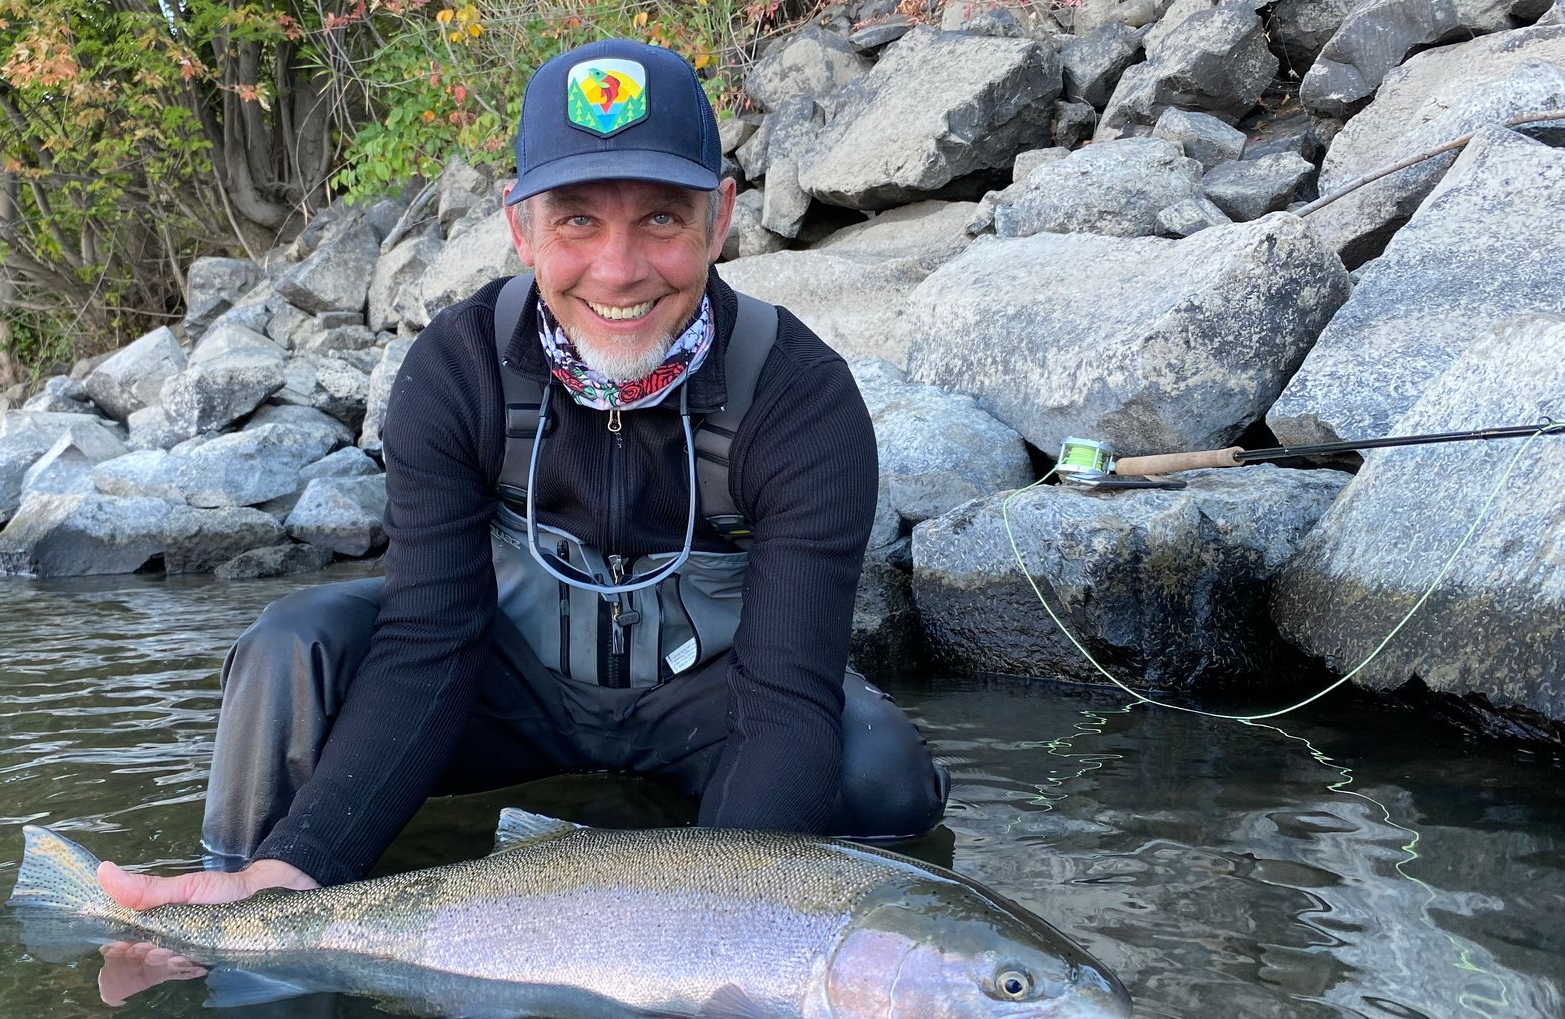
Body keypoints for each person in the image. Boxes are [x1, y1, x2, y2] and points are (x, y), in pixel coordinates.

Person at [99, 39, 945, 913]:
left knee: (881, 777)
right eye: (577, 220)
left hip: (711, 705)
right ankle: (251, 888)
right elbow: (430, 642)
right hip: (499, 691)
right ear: (519, 226)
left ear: (720, 218)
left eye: (661, 218)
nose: (617, 270)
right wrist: (307, 861)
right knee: (294, 644)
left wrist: (715, 920)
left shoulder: (801, 396)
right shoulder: (454, 370)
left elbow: (783, 700)